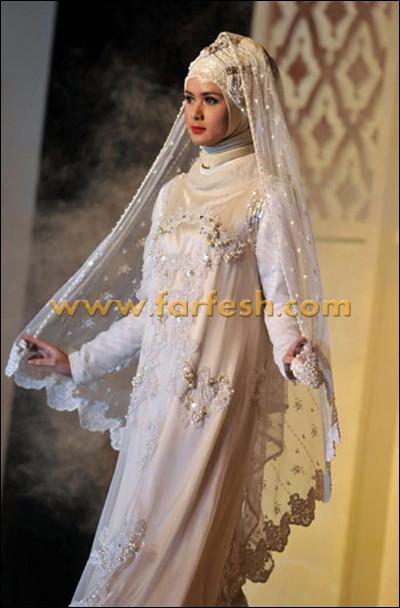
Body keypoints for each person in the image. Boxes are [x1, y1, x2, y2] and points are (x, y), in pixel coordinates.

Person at [6, 32, 341, 607]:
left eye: (211, 99)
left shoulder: (267, 193)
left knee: (181, 556)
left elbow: (281, 301)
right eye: (189, 98)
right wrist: (76, 362)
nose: (195, 112)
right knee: (137, 548)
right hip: (157, 400)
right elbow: (152, 311)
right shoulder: (173, 195)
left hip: (217, 399)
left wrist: (291, 354)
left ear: (244, 106)